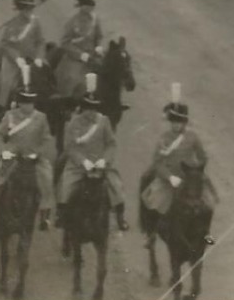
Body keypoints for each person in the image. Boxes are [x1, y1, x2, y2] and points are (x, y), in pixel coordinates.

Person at [0, 77, 55, 230]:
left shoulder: (41, 118)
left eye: (31, 102)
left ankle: (45, 213)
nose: (28, 106)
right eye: (25, 102)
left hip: (33, 156)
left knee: (46, 176)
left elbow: (46, 139)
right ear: (19, 103)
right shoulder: (10, 116)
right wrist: (3, 150)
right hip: (12, 155)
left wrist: (37, 153)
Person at [57, 73, 128, 231]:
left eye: (94, 107)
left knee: (116, 184)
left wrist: (104, 159)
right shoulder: (74, 122)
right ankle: (61, 214)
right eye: (88, 107)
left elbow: (111, 143)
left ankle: (120, 217)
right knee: (67, 184)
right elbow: (70, 147)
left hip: (100, 162)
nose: (91, 111)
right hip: (79, 165)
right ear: (83, 107)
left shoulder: (104, 121)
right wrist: (83, 161)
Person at [139, 85, 209, 216]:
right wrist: (169, 177)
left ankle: (206, 234)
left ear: (184, 123)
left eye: (179, 122)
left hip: (190, 178)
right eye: (173, 122)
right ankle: (152, 233)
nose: (176, 125)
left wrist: (197, 171)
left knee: (208, 203)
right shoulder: (164, 139)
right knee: (155, 204)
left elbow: (202, 157)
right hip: (170, 180)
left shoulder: (193, 137)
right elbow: (158, 163)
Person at [0, 0, 45, 110]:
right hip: (13, 60)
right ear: (20, 10)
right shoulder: (12, 24)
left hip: (31, 58)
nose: (29, 12)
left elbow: (40, 41)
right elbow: (5, 44)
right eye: (26, 9)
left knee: (45, 77)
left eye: (30, 9)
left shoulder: (35, 21)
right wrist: (17, 58)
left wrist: (39, 56)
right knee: (6, 83)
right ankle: (0, 108)